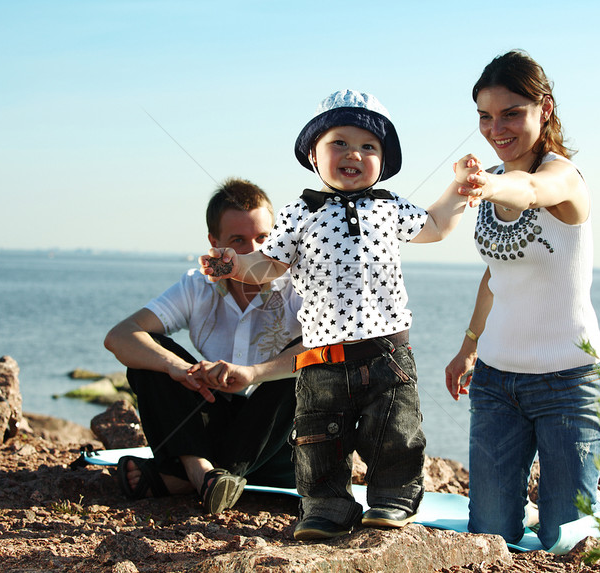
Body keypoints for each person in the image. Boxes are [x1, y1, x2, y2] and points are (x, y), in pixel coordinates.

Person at [200, 90, 471, 540]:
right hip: (323, 353)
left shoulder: (389, 205)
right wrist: (232, 263)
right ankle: (326, 506)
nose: (354, 154)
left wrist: (459, 187)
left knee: (395, 428)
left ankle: (391, 498)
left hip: (387, 349)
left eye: (369, 146)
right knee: (319, 436)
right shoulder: (300, 213)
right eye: (339, 143)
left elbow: (438, 225)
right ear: (313, 153)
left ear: (383, 160)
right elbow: (267, 265)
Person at [444, 50, 600, 550]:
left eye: (511, 113)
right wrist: (468, 345)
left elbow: (532, 188)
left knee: (567, 540)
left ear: (545, 110)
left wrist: (490, 183)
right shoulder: (493, 183)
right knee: (488, 535)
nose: (497, 128)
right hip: (496, 383)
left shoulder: (565, 178)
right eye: (485, 117)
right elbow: (496, 275)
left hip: (569, 382)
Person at [104, 177, 304, 514]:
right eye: (238, 241)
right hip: (216, 426)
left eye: (263, 238)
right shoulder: (198, 285)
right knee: (150, 353)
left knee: (307, 364)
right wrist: (177, 368)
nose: (253, 251)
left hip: (281, 444)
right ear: (215, 244)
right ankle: (202, 472)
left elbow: (333, 351)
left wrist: (254, 373)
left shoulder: (298, 283)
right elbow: (120, 335)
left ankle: (186, 479)